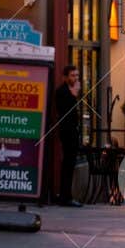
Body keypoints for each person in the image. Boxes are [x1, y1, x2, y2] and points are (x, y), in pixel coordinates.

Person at [54, 63, 83, 206]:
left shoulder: (73, 90)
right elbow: (66, 112)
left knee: (70, 164)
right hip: (67, 131)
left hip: (73, 131)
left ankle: (67, 196)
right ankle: (65, 197)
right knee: (68, 163)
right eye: (72, 75)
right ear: (65, 77)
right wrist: (73, 96)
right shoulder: (62, 91)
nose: (75, 78)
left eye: (77, 75)